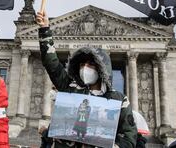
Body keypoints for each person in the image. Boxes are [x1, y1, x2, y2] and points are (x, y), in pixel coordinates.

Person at [36, 11, 137, 148]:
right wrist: (44, 30)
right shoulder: (70, 88)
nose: (84, 68)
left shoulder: (118, 99)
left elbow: (129, 137)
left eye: (90, 65)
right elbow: (52, 64)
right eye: (82, 64)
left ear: (102, 69)